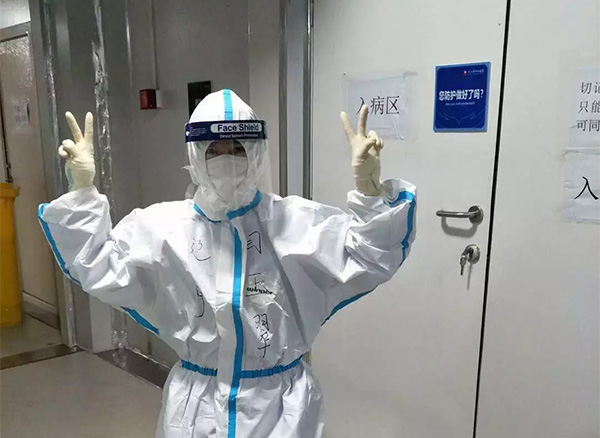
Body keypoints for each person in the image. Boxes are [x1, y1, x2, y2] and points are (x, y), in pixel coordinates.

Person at [38, 89, 416, 438]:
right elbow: (98, 262)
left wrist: (369, 190)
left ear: (256, 151)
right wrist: (82, 191)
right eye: (213, 149)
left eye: (237, 148)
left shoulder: (295, 222)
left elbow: (369, 252)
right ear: (194, 153)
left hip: (281, 409)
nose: (226, 159)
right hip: (196, 407)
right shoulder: (164, 228)